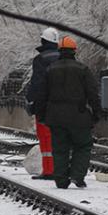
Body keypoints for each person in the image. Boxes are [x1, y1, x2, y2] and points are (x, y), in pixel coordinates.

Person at [36, 36, 101, 189]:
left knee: (59, 148)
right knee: (83, 146)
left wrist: (41, 115)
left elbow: (41, 94)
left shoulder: (50, 69)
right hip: (79, 116)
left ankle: (61, 180)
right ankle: (77, 176)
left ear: (59, 51)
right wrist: (97, 113)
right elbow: (92, 93)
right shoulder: (83, 69)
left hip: (55, 117)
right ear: (74, 51)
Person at [25, 27, 61, 180]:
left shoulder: (40, 59)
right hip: (61, 104)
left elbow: (37, 83)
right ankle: (57, 169)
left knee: (45, 137)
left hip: (44, 105)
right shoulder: (63, 58)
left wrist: (30, 100)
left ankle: (49, 170)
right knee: (58, 138)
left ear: (43, 41)